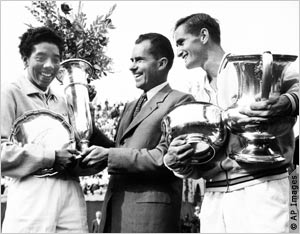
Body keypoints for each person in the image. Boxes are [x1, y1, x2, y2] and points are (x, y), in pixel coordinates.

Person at [164, 13, 299, 233]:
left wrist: (286, 101)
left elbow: (296, 86)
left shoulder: (252, 66)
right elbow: (197, 164)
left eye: (181, 42)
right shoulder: (194, 92)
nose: (178, 51)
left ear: (204, 35)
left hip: (262, 188)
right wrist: (177, 161)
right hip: (214, 198)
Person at [81, 33, 195, 232]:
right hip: (115, 211)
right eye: (132, 60)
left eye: (139, 60)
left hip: (148, 218)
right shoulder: (130, 106)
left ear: (161, 63)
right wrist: (87, 125)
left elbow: (165, 157)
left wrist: (109, 155)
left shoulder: (181, 101)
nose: (132, 66)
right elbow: (118, 151)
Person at [1, 26, 88, 232]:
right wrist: (51, 157)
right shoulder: (9, 94)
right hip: (31, 195)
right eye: (40, 58)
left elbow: (76, 150)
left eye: (56, 59)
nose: (49, 66)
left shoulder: (65, 102)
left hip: (70, 192)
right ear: (25, 60)